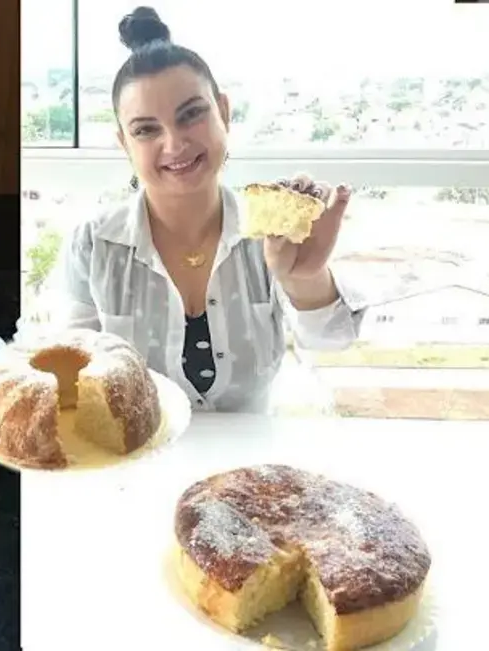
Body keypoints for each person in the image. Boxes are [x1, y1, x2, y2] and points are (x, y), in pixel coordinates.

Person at [48, 7, 365, 413]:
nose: (174, 144)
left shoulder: (269, 237)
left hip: (250, 469)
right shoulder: (94, 244)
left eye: (191, 114)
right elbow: (71, 368)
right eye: (146, 129)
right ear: (124, 143)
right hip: (133, 465)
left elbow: (333, 340)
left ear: (224, 113)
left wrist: (305, 277)